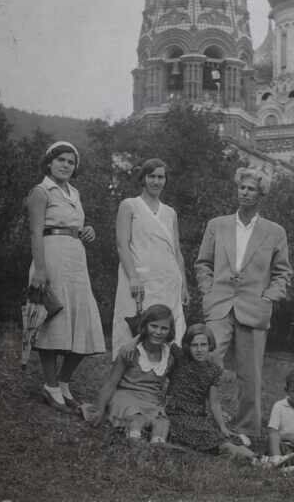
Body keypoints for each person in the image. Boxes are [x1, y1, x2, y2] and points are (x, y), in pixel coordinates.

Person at [195, 166, 291, 442]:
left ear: (261, 194)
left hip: (254, 308)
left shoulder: (275, 231)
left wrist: (270, 296)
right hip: (220, 305)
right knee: (207, 359)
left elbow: (283, 272)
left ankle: (246, 430)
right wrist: (208, 291)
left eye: (251, 189)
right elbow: (203, 263)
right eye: (242, 187)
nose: (245, 192)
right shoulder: (217, 225)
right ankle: (197, 417)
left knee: (250, 375)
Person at [27, 141, 105, 411]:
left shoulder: (75, 193)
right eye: (60, 160)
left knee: (83, 319)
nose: (65, 165)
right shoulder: (41, 191)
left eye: (71, 162)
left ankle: (63, 383)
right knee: (53, 319)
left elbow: (76, 226)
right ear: (49, 162)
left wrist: (88, 231)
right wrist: (39, 268)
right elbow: (36, 232)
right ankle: (49, 386)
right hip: (52, 257)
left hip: (76, 259)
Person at [111, 158, 188, 360]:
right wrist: (133, 277)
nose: (156, 181)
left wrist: (184, 285)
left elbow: (177, 251)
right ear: (143, 179)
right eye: (151, 176)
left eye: (160, 177)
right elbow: (122, 245)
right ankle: (127, 384)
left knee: (168, 334)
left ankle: (160, 383)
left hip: (168, 281)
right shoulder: (129, 205)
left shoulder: (170, 213)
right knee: (135, 330)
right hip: (139, 281)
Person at [165, 324, 256, 460]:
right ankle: (256, 459)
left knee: (221, 435)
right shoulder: (180, 358)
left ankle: (260, 458)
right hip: (176, 414)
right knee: (211, 439)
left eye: (203, 345)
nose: (199, 350)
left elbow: (214, 403)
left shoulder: (213, 371)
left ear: (210, 345)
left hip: (198, 415)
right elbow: (163, 337)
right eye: (194, 345)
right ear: (187, 346)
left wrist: (222, 426)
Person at [89, 304, 177, 443]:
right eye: (154, 326)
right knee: (137, 417)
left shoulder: (169, 355)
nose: (158, 332)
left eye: (164, 328)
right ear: (145, 326)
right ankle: (133, 441)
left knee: (162, 423)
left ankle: (158, 446)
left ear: (170, 331)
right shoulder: (130, 351)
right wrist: (100, 409)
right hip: (126, 396)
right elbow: (111, 383)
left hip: (151, 400)